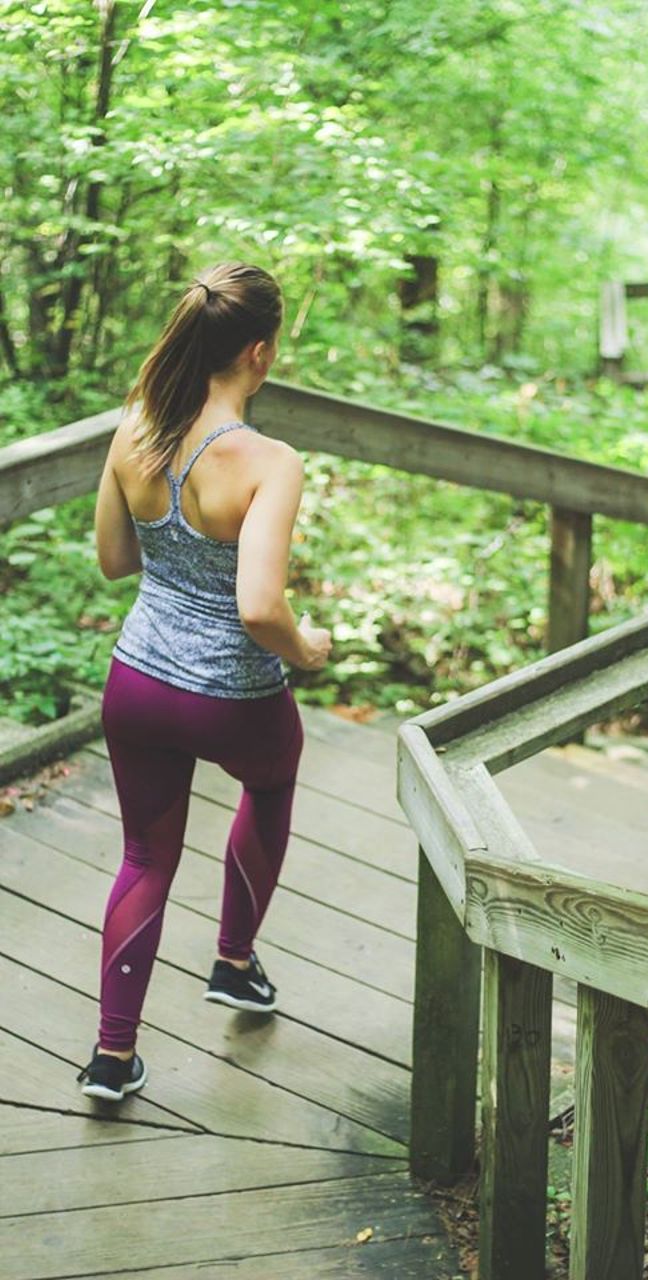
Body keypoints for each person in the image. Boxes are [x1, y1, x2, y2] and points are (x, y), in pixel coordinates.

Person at [77, 262, 332, 1102]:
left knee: (145, 855)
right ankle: (233, 962)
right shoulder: (270, 461)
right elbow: (260, 606)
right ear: (258, 353)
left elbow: (116, 562)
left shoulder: (134, 431)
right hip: (233, 697)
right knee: (273, 780)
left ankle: (111, 1059)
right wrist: (308, 649)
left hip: (138, 684)